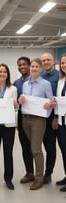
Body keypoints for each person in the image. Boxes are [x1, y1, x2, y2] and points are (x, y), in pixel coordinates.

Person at [19, 58, 53, 190]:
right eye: (32, 66)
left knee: (36, 149)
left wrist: (48, 107)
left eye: (36, 66)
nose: (33, 68)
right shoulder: (25, 84)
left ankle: (39, 178)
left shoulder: (46, 84)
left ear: (41, 69)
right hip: (25, 119)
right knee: (30, 148)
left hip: (38, 120)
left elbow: (51, 101)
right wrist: (20, 100)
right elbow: (23, 100)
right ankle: (31, 174)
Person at [41, 52, 63, 184]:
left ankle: (48, 173)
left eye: (48, 60)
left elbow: (59, 99)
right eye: (43, 61)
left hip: (54, 118)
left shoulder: (59, 76)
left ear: (53, 61)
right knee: (43, 146)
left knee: (52, 147)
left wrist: (55, 116)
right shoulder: (40, 75)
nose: (46, 62)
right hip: (41, 116)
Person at [13, 57, 34, 184]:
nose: (22, 67)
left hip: (37, 118)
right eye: (19, 65)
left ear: (30, 65)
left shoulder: (37, 79)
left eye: (24, 64)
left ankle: (42, 174)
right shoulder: (16, 83)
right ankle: (29, 172)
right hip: (22, 117)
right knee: (25, 146)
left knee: (36, 148)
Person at [52, 54, 66, 192]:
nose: (64, 65)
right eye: (62, 63)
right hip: (62, 121)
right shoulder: (61, 80)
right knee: (64, 151)